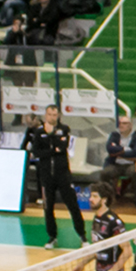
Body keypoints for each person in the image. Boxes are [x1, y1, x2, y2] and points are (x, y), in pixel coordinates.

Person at [25, 105, 86, 248]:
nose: (52, 117)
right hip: (46, 176)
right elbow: (37, 152)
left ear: (58, 115)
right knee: (48, 208)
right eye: (49, 114)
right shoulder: (39, 132)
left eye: (54, 114)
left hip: (63, 174)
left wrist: (51, 137)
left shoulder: (64, 129)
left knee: (73, 206)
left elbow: (62, 147)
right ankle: (52, 237)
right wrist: (53, 149)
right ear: (45, 115)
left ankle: (82, 236)